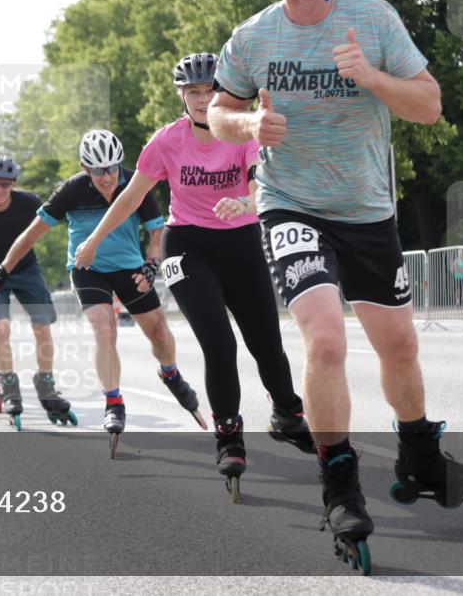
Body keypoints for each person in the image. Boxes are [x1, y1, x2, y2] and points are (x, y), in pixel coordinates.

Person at [205, 0, 463, 572]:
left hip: (368, 210)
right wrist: (250, 125)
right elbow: (220, 115)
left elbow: (428, 104)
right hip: (290, 203)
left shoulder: (373, 17)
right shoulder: (252, 37)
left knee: (400, 345)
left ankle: (420, 453)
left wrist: (370, 75)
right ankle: (339, 482)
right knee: (327, 340)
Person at [76, 57, 311, 488]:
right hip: (187, 247)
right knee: (219, 343)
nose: (204, 101)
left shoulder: (242, 129)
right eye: (194, 93)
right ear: (182, 96)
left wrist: (246, 203)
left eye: (210, 92)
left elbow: (262, 181)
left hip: (240, 242)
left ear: (223, 94)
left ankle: (288, 411)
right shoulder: (167, 142)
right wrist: (92, 242)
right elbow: (129, 199)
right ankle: (229, 436)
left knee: (266, 343)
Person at [1, 129, 205, 452]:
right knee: (104, 328)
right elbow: (31, 234)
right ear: (85, 169)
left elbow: (157, 234)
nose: (107, 177)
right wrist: (3, 268)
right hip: (87, 268)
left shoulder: (135, 182)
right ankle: (113, 401)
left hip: (130, 268)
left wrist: (151, 268)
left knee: (160, 334)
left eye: (112, 168)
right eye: (98, 171)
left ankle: (170, 373)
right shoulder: (71, 190)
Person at [0, 155, 76, 430]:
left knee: (43, 328)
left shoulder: (29, 203)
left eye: (5, 185)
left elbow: (38, 232)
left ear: (13, 185)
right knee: (0, 327)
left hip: (27, 270)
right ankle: (9, 386)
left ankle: (46, 383)